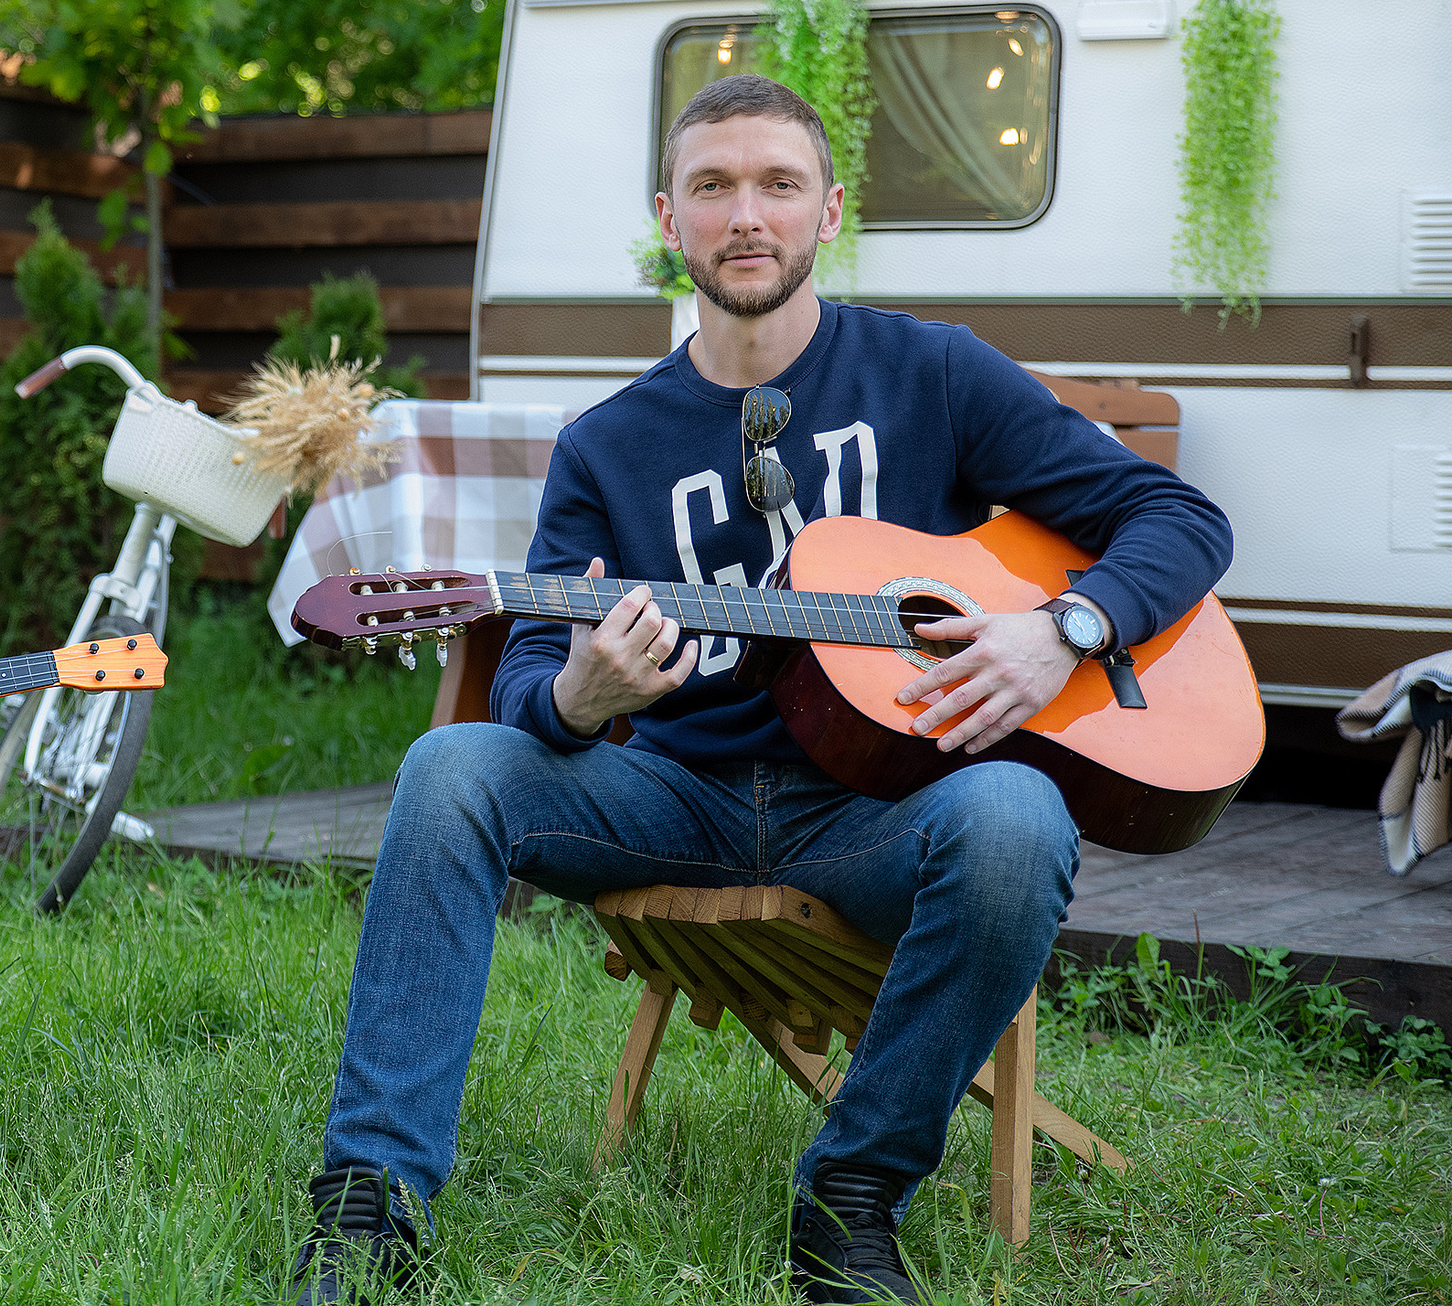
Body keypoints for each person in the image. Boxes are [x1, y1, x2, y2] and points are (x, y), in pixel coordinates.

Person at [270, 74, 1233, 1305]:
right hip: (670, 797)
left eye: (777, 184)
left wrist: (1062, 629)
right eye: (713, 186)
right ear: (667, 218)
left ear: (827, 210)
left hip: (876, 813)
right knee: (450, 768)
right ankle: (370, 1205)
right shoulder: (610, 441)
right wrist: (577, 699)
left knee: (1018, 820)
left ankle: (852, 1199)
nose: (746, 215)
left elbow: (1175, 516)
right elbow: (520, 677)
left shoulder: (931, 375)